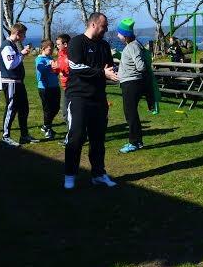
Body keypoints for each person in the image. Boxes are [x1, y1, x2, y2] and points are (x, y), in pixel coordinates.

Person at [64, 12, 119, 189]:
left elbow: (109, 67)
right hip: (79, 96)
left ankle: (98, 173)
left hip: (99, 98)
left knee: (98, 138)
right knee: (77, 136)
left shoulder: (104, 45)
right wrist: (101, 73)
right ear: (93, 25)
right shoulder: (77, 42)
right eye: (104, 26)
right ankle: (70, 174)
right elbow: (77, 67)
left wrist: (111, 73)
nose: (106, 29)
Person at [0, 23, 38, 147]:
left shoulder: (12, 46)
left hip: (18, 82)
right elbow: (10, 65)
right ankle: (5, 136)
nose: (24, 37)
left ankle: (24, 135)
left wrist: (20, 53)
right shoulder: (7, 46)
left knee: (24, 109)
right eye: (23, 34)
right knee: (11, 108)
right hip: (11, 82)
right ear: (17, 33)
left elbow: (14, 60)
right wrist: (22, 55)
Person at [116, 18, 147, 154]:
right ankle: (137, 141)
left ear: (125, 35)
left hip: (131, 84)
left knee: (131, 115)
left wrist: (131, 73)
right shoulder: (132, 46)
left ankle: (134, 142)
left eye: (119, 33)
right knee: (131, 114)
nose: (118, 36)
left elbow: (141, 66)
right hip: (129, 83)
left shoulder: (132, 46)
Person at [35, 39, 60, 140]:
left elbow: (54, 72)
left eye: (52, 49)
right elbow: (40, 74)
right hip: (45, 88)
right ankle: (48, 129)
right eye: (49, 49)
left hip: (55, 86)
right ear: (43, 49)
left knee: (56, 108)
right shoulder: (39, 59)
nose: (51, 51)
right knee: (48, 109)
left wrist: (56, 69)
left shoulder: (50, 58)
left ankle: (46, 125)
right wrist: (49, 64)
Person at [51, 34, 70, 125]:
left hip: (71, 86)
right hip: (64, 85)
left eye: (58, 44)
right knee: (65, 111)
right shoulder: (60, 54)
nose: (57, 46)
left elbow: (71, 69)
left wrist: (59, 66)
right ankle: (72, 134)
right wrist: (55, 67)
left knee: (68, 112)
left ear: (65, 44)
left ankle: (73, 135)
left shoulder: (71, 54)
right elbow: (58, 70)